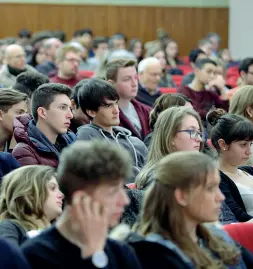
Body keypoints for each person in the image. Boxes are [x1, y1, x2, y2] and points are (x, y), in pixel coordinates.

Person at [21, 140, 142, 269]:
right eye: (113, 192)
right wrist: (94, 254)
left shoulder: (121, 252)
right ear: (81, 199)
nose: (125, 200)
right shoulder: (36, 255)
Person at [130, 151, 249, 269]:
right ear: (182, 196)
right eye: (210, 188)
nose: (220, 197)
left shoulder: (218, 237)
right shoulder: (156, 255)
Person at [76, 78, 148, 181]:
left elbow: (153, 172)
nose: (116, 110)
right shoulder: (86, 135)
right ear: (91, 112)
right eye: (108, 105)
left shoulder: (133, 140)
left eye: (116, 103)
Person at [136, 106, 204, 190]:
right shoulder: (160, 180)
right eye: (192, 131)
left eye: (198, 133)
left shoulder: (198, 172)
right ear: (170, 137)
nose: (199, 139)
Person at [12, 83, 76, 167]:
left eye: (70, 109)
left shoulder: (72, 140)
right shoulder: (24, 151)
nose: (71, 115)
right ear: (42, 112)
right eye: (62, 107)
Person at [207, 109, 253, 222]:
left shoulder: (248, 170)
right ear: (223, 144)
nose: (249, 151)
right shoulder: (216, 178)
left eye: (251, 144)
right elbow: (238, 218)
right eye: (243, 145)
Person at [0, 165, 64, 247]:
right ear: (30, 193)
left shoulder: (60, 232)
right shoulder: (9, 228)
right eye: (52, 188)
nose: (61, 195)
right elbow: (9, 258)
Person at [106, 59, 151, 140]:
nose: (134, 83)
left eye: (135, 78)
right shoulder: (104, 116)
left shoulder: (147, 111)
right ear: (111, 84)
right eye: (127, 79)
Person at [0, 88, 28, 152]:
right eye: (19, 112)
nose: (26, 117)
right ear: (0, 115)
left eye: (26, 113)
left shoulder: (20, 142)